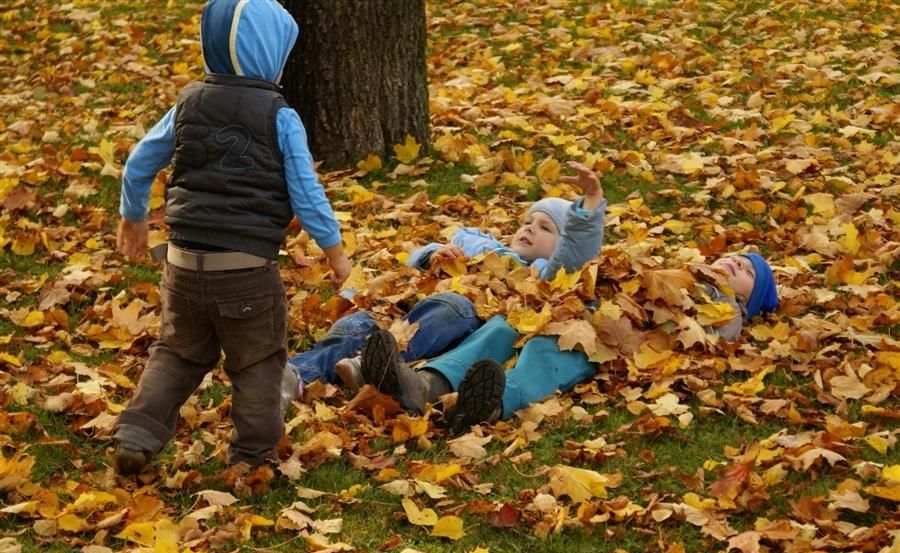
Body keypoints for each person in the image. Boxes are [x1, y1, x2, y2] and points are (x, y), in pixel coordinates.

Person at [113, 0, 351, 476]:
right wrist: (337, 254)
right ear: (271, 54)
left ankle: (137, 432)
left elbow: (140, 161)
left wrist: (132, 216)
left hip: (182, 267)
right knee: (258, 361)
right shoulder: (281, 115)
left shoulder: (188, 101)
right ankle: (251, 457)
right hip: (245, 275)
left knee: (178, 352)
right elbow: (306, 192)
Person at [285, 161, 608, 408]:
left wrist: (590, 203)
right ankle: (294, 376)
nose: (530, 229)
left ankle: (368, 364)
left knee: (449, 311)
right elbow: (414, 262)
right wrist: (432, 255)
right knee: (359, 324)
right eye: (527, 222)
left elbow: (574, 255)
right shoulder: (485, 244)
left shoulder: (538, 274)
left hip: (453, 309)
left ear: (560, 246)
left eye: (545, 228)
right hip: (405, 302)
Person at [360, 251, 779, 434]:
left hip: (613, 341)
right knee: (504, 328)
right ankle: (426, 385)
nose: (734, 262)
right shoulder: (677, 272)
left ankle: (490, 402)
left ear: (747, 298)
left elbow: (707, 338)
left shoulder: (726, 310)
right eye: (736, 256)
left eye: (745, 271)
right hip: (582, 311)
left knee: (550, 353)